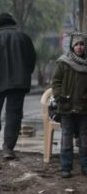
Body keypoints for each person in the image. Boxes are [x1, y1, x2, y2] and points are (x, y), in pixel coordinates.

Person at [0, 12, 36, 159]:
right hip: (19, 81)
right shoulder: (24, 37)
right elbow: (31, 60)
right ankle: (8, 149)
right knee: (14, 114)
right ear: (12, 23)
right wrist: (25, 74)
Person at [52, 33, 87, 178]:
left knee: (85, 138)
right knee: (66, 137)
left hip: (84, 107)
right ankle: (66, 167)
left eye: (82, 44)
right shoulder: (63, 62)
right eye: (76, 44)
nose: (79, 47)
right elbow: (56, 82)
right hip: (66, 107)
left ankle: (85, 167)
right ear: (72, 46)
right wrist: (60, 96)